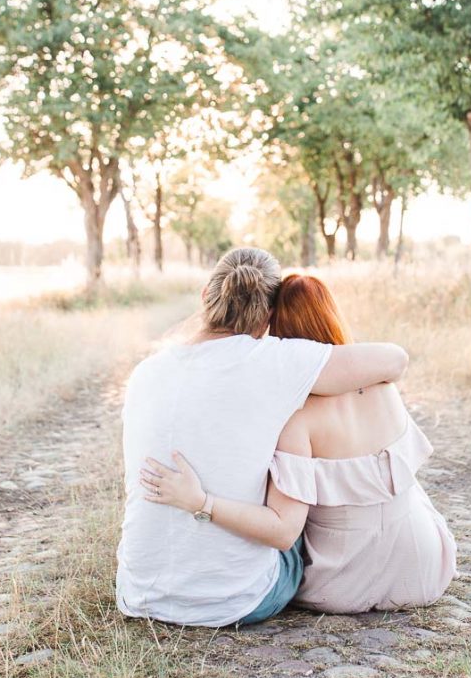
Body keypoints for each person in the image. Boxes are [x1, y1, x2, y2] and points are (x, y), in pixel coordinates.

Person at [116, 248, 409, 627]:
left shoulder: (146, 372)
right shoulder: (277, 360)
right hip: (238, 600)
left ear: (206, 294)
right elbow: (395, 360)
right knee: (299, 494)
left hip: (140, 592)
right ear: (269, 317)